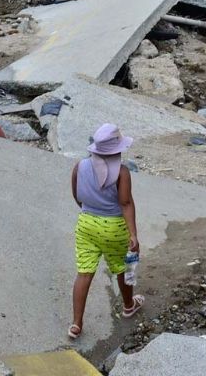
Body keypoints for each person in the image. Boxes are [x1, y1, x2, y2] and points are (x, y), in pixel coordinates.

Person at [68, 124, 142, 340]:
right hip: (114, 227)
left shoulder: (79, 166)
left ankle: (76, 323)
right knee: (123, 268)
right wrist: (133, 234)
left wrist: (90, 212)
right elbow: (126, 203)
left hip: (86, 224)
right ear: (117, 150)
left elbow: (77, 195)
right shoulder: (122, 172)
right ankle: (129, 305)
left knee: (84, 273)